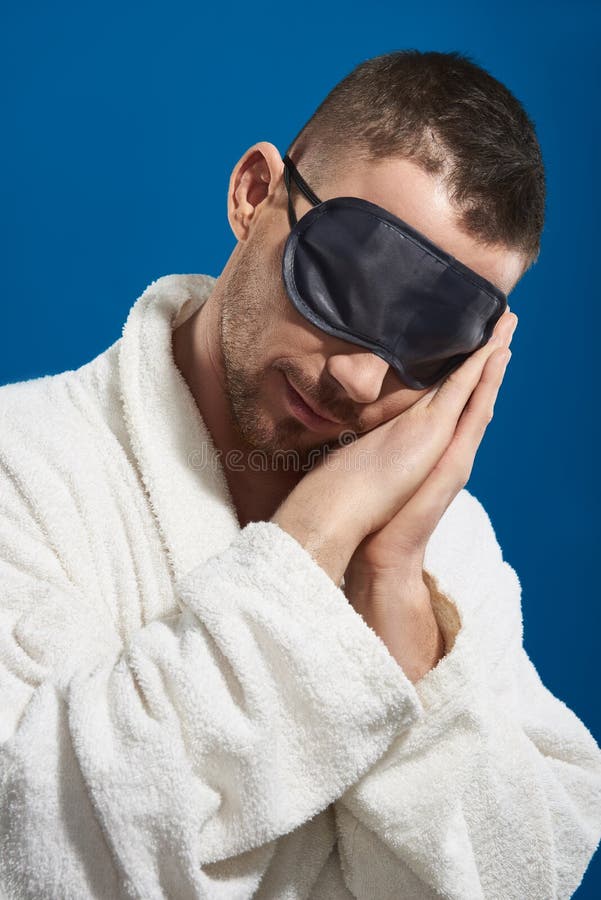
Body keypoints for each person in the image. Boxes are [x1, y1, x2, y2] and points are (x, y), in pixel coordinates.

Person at [0, 48, 600, 900]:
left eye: (427, 342)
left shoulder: (444, 554)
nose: (359, 378)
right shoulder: (19, 466)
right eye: (345, 282)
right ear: (254, 195)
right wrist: (317, 533)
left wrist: (392, 583)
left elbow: (518, 871)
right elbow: (37, 847)